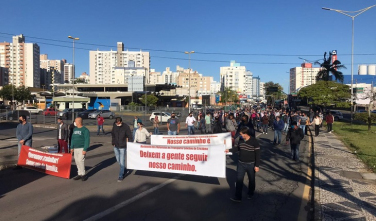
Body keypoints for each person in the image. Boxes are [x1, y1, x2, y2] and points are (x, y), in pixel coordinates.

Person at [227, 127, 260, 202]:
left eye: (241, 134)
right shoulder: (241, 140)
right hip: (241, 163)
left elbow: (258, 154)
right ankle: (238, 197)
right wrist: (229, 150)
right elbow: (237, 148)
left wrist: (257, 165)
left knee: (251, 180)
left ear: (246, 134)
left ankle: (250, 193)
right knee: (239, 180)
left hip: (251, 164)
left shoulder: (254, 141)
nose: (240, 136)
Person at [111, 117, 133, 182]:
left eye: (118, 123)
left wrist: (130, 144)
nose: (117, 124)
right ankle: (124, 169)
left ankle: (121, 175)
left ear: (120, 122)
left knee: (122, 161)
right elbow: (113, 135)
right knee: (118, 160)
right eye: (116, 123)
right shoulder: (114, 125)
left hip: (123, 146)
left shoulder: (126, 127)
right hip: (116, 145)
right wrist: (113, 142)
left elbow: (130, 136)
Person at [70, 117, 90, 181]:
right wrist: (71, 147)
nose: (74, 123)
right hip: (75, 148)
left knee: (81, 160)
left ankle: (83, 174)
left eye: (75, 121)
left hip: (81, 148)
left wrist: (85, 149)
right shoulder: (75, 129)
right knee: (77, 161)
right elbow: (72, 139)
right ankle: (79, 173)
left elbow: (87, 140)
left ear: (79, 122)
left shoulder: (85, 130)